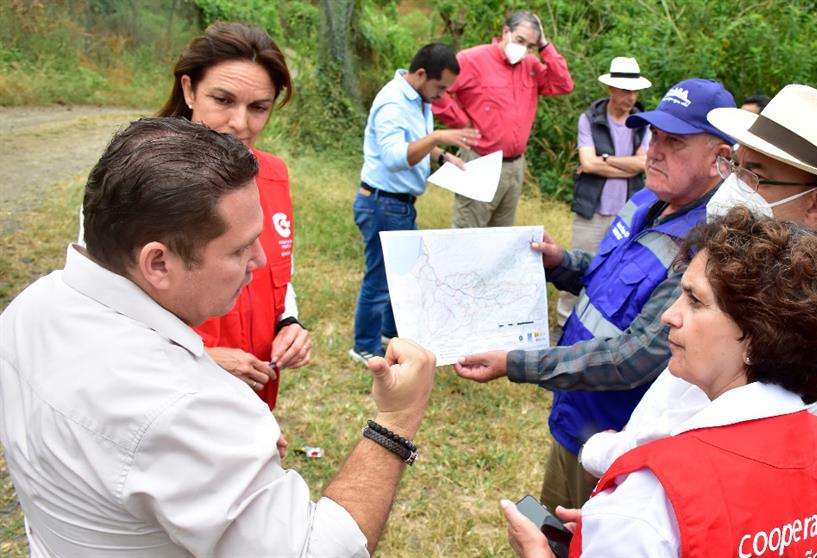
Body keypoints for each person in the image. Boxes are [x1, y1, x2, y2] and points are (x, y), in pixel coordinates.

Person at [0, 117, 437, 556]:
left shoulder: (29, 308)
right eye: (239, 248)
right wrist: (395, 422)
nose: (261, 259)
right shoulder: (185, 407)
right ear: (158, 263)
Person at [576, 83, 817, 478]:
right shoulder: (780, 266)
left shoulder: (813, 304)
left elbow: (716, 433)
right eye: (735, 168)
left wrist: (611, 452)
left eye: (754, 177)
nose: (732, 190)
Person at [500, 207, 817, 557]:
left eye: (695, 301)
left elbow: (660, 520)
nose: (670, 315)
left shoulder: (655, 496)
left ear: (758, 337)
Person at [454, 79, 738, 510]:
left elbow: (636, 357)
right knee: (550, 529)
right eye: (654, 135)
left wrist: (514, 362)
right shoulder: (649, 200)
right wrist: (559, 262)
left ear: (720, 159)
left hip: (618, 442)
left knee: (583, 537)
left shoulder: (706, 242)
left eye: (674, 142)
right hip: (579, 412)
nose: (654, 150)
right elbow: (609, 277)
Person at [156, 22, 309, 409]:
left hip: (252, 397)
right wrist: (203, 358)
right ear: (189, 90)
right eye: (223, 100)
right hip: (170, 399)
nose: (240, 124)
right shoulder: (138, 181)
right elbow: (105, 310)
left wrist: (288, 322)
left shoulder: (273, 175)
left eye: (259, 108)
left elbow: (276, 270)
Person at [350, 43, 480, 363]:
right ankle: (364, 346)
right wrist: (437, 138)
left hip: (401, 204)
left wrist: (442, 156)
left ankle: (391, 333)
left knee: (404, 276)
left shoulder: (420, 100)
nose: (443, 95)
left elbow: (414, 144)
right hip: (382, 204)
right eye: (440, 87)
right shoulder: (393, 104)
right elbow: (396, 158)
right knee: (380, 278)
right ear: (421, 74)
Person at [432, 10, 574, 228]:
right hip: (480, 160)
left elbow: (564, 84)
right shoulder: (472, 59)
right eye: (520, 40)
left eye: (531, 46)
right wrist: (461, 123)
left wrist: (545, 46)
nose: (524, 49)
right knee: (467, 236)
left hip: (515, 165)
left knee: (501, 237)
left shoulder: (531, 65)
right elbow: (436, 91)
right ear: (505, 32)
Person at [554, 56, 652, 328]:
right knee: (575, 264)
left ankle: (596, 324)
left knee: (615, 270)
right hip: (592, 209)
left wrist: (605, 160)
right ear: (611, 89)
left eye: (634, 91)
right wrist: (628, 164)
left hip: (627, 211)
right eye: (625, 90)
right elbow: (587, 163)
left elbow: (643, 165)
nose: (631, 97)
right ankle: (563, 322)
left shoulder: (642, 122)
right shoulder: (590, 118)